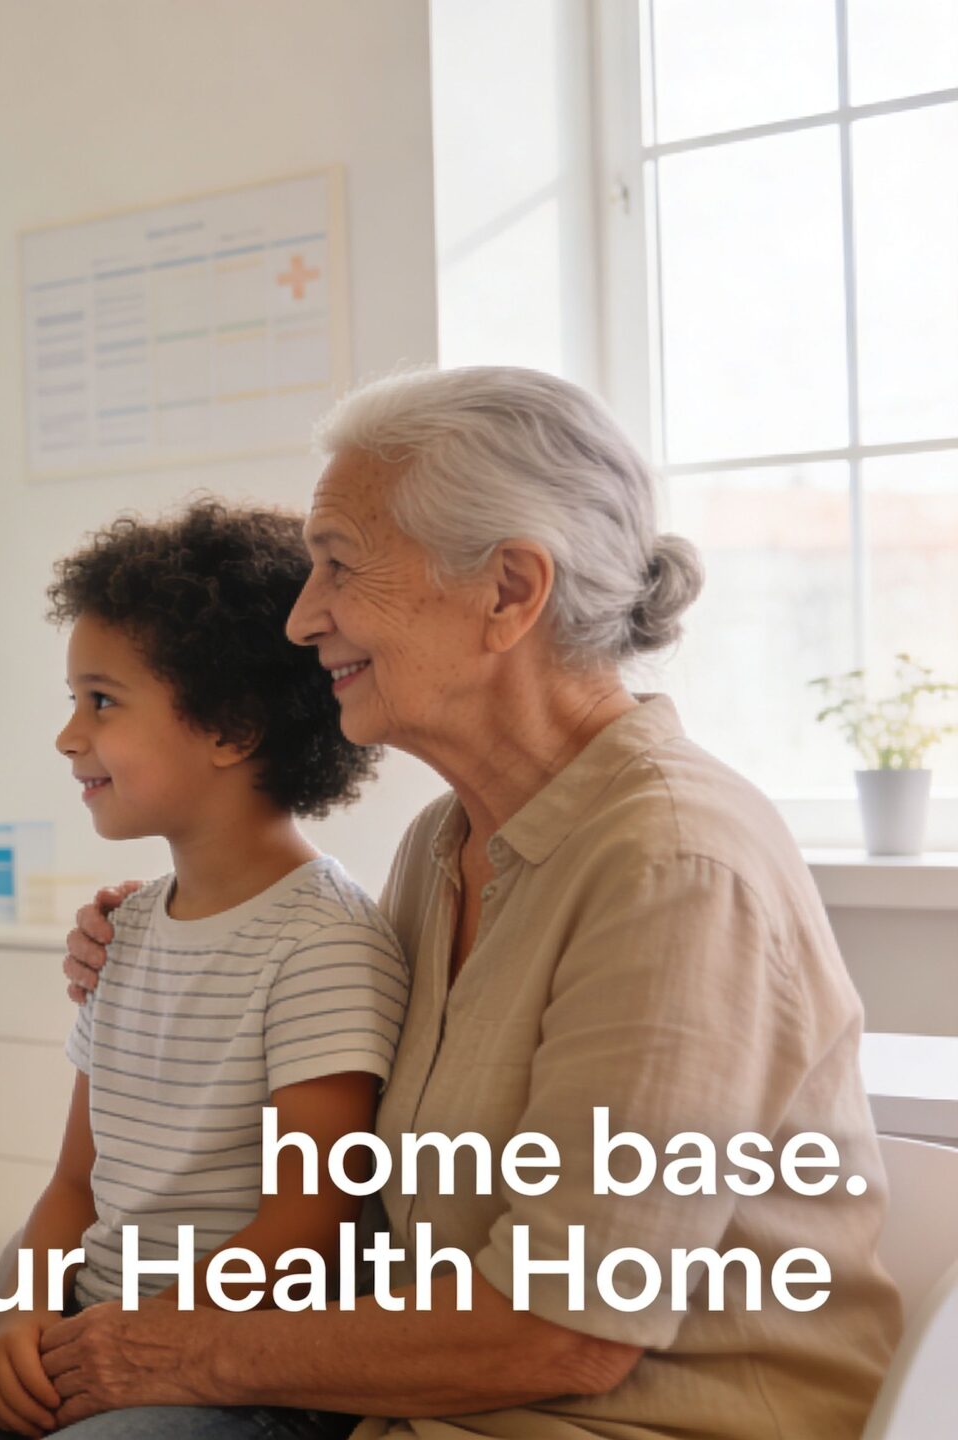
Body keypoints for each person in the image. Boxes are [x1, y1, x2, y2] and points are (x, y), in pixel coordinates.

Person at [52, 367, 900, 1436]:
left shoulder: (672, 861)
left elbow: (565, 1327)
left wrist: (167, 1349)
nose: (304, 619)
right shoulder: (441, 845)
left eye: (338, 567)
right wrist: (163, 953)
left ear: (508, 590)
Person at [0, 501, 405, 1440]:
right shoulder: (129, 932)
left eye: (102, 701)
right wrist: (27, 1320)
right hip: (97, 1336)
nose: (69, 735)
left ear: (231, 728)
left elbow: (305, 1228)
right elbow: (75, 1182)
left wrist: (130, 1342)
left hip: (243, 1373)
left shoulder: (322, 944)